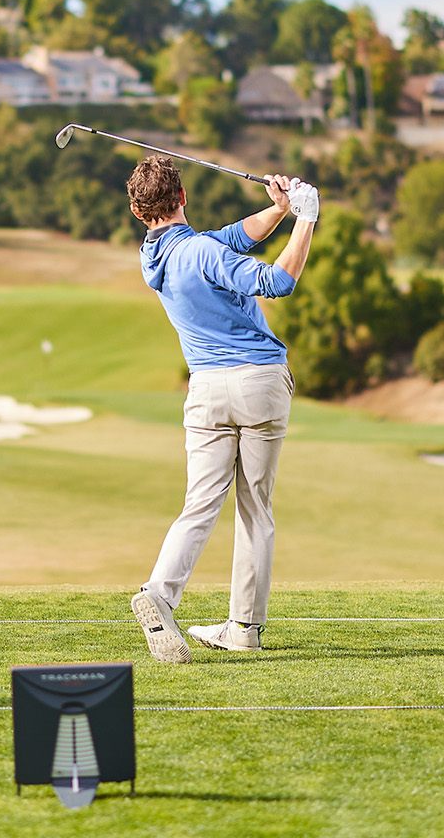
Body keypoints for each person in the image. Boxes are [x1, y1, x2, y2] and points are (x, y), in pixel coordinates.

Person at [124, 155, 318, 662]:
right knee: (255, 509)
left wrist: (278, 210)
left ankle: (160, 593)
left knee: (199, 504)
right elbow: (279, 282)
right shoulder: (204, 251)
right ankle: (244, 628)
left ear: (139, 213)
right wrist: (307, 218)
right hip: (258, 384)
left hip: (206, 391)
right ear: (183, 196)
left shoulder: (154, 257)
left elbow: (232, 237)